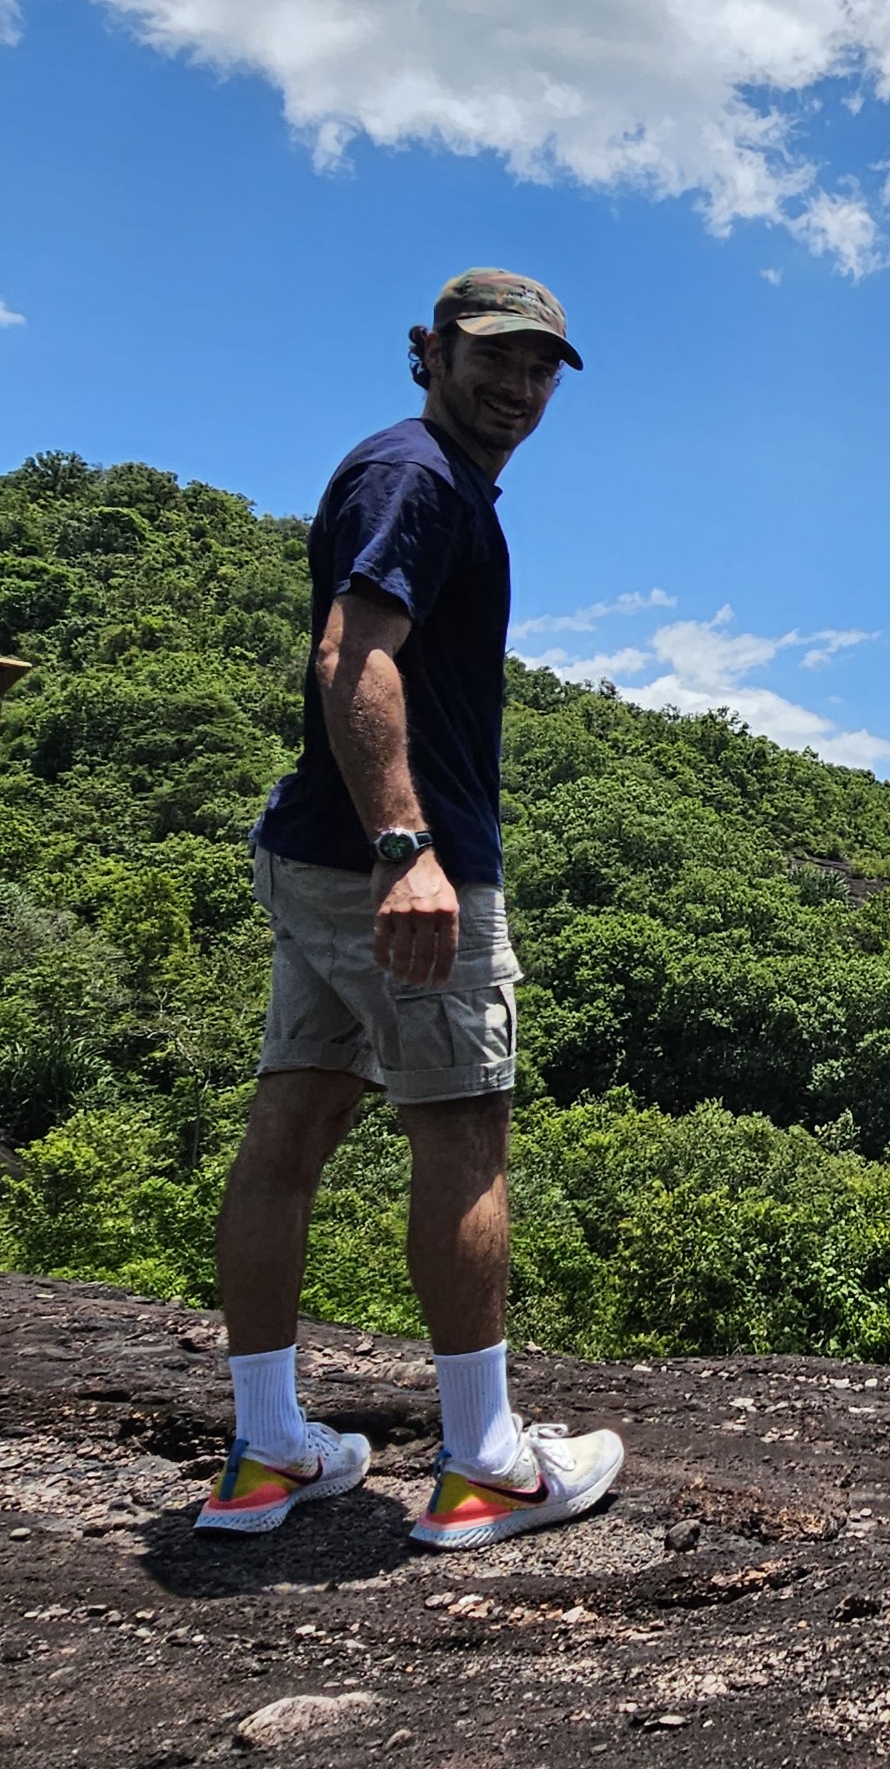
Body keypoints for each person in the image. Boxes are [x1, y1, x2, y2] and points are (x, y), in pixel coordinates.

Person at [197, 269, 623, 1551]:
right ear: (426, 353)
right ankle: (486, 1462)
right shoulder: (417, 478)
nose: (520, 386)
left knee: (298, 1118)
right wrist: (410, 850)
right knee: (463, 1133)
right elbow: (352, 655)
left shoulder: (427, 480)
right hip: (394, 864)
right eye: (494, 358)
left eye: (543, 367)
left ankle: (268, 1451)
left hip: (317, 859)